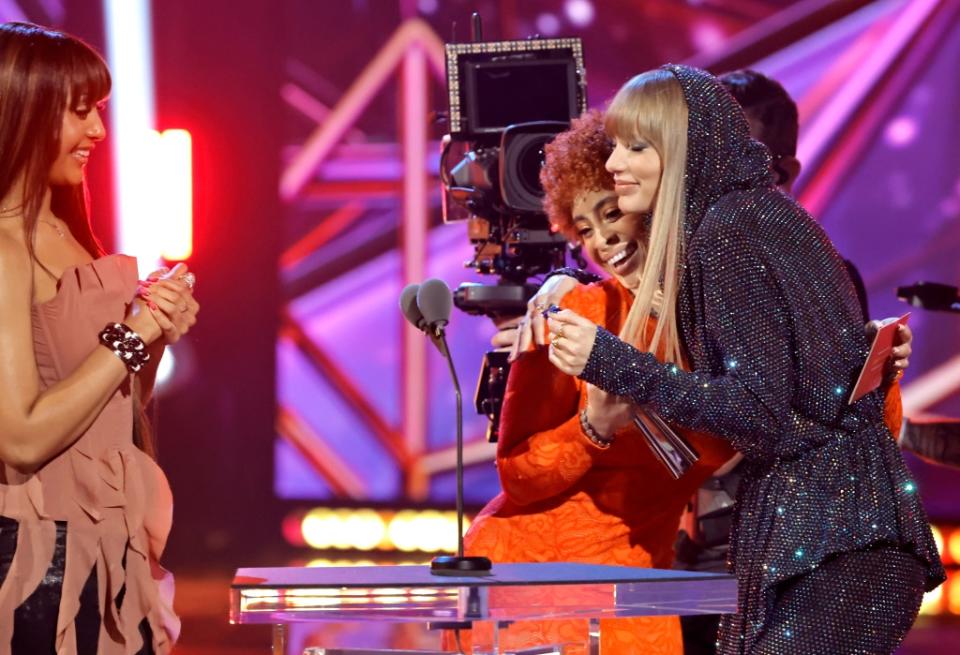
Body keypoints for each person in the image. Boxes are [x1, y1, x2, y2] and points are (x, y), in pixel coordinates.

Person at [545, 65, 944, 654]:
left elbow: (758, 414)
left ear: (684, 147)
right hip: (830, 539)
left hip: (834, 545)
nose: (614, 164)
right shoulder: (754, 218)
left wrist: (612, 361)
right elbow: (809, 394)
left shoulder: (728, 230)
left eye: (635, 147)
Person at [446, 109, 735, 655]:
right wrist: (592, 428)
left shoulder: (723, 319)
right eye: (584, 230)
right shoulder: (574, 312)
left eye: (611, 214)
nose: (602, 241)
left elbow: (807, 422)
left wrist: (873, 368)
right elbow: (517, 473)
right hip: (526, 580)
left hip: (636, 598)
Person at [0, 22, 197, 654]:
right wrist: (134, 331)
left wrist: (156, 332)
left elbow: (113, 410)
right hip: (38, 564)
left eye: (101, 112)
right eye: (81, 113)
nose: (99, 133)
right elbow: (23, 437)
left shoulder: (66, 228)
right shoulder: (3, 249)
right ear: (21, 111)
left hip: (112, 546)